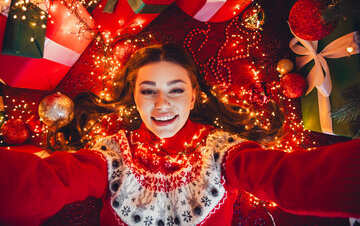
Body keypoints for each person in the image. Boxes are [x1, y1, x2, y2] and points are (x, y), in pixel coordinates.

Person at [0, 43, 359, 226]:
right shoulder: (112, 152)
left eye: (174, 90)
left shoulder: (221, 149)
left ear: (192, 96)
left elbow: (286, 178)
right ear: (134, 96)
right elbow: (48, 181)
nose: (161, 105)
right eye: (147, 90)